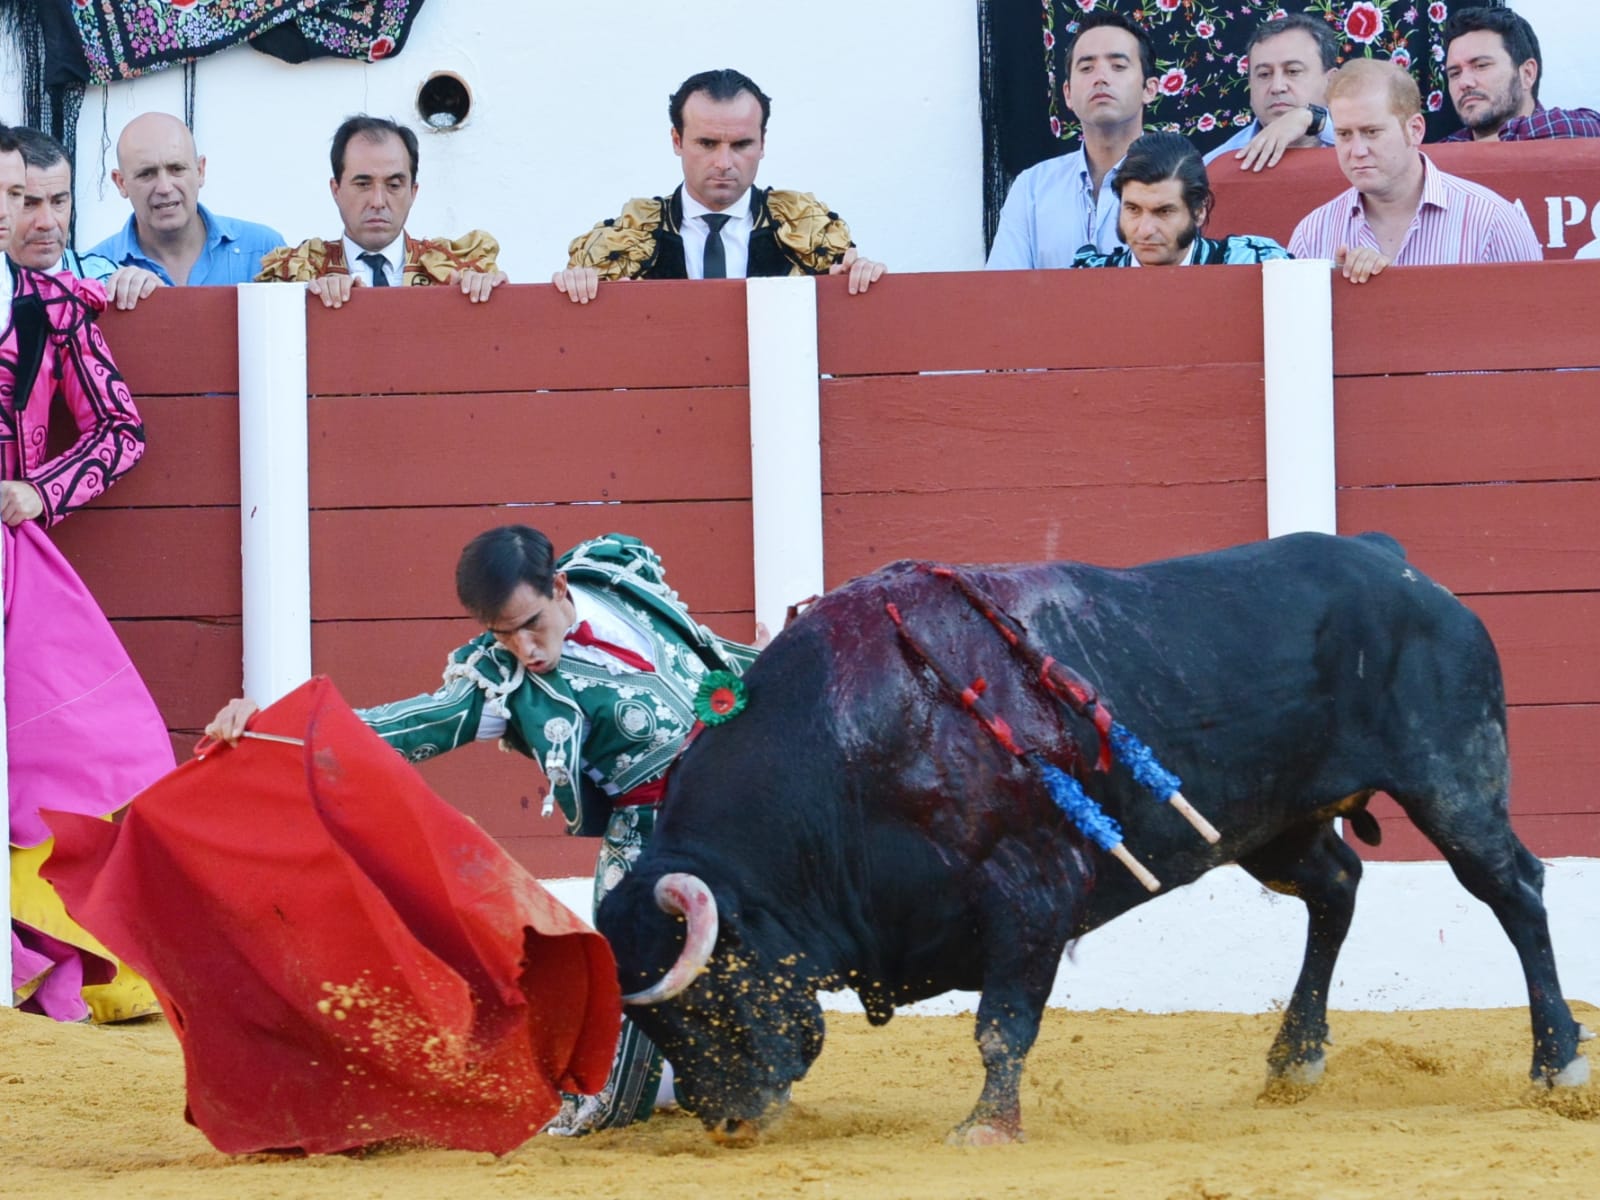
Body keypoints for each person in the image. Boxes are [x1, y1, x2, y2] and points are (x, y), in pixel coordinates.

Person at [204, 526, 760, 1134]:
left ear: (560, 586)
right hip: (652, 835)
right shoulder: (503, 685)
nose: (525, 648)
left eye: (531, 624)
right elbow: (400, 729)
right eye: (502, 634)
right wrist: (265, 729)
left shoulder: (615, 571)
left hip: (747, 794)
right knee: (623, 1025)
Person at [1, 125, 174, 1023]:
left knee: (94, 750)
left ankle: (55, 957)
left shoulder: (64, 306)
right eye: (25, 200)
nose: (45, 219)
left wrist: (40, 490)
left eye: (59, 200)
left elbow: (121, 432)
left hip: (12, 555)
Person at [553, 69, 885, 302]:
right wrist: (577, 289)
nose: (724, 163)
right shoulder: (627, 239)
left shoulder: (808, 234)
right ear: (677, 140)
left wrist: (862, 285)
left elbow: (857, 363)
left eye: (741, 144)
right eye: (708, 143)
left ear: (762, 143)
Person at [1288, 59, 1542, 284]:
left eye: (1372, 132)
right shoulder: (1312, 234)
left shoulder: (1492, 221)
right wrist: (1336, 295)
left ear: (1415, 130)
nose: (1357, 150)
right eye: (1344, 134)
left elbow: (1535, 325)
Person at [255, 115, 507, 308]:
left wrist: (489, 297)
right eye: (363, 184)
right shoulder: (300, 272)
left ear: (413, 192)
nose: (378, 201)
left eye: (394, 185)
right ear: (336, 189)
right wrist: (306, 301)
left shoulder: (457, 270)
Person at [986, 11, 1159, 269]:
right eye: (1087, 68)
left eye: (1118, 66)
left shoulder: (1180, 181)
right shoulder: (1032, 189)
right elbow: (1000, 290)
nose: (1100, 78)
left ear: (1149, 89)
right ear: (1067, 94)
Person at [89, 112, 285, 287]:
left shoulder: (264, 252)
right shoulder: (92, 274)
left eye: (176, 169)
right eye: (146, 174)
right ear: (121, 183)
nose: (165, 188)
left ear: (200, 171)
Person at [1073, 132, 1290, 267]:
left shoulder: (1254, 264)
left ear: (1199, 211)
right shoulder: (1088, 280)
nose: (1145, 230)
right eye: (1133, 209)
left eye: (1164, 212)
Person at [7, 128, 165, 311]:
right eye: (29, 204)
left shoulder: (109, 282)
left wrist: (157, 301)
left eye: (59, 202)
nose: (48, 222)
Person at [1440, 7, 1600, 143]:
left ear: (1527, 74)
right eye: (1455, 73)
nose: (1464, 82)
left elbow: (1583, 126)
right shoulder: (1442, 152)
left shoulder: (1569, 129)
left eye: (1481, 66)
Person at [1204, 14, 1338, 172]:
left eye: (1293, 71)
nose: (1277, 87)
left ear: (1331, 82)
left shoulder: (1365, 150)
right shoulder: (1215, 166)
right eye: (1264, 74)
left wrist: (1315, 121)